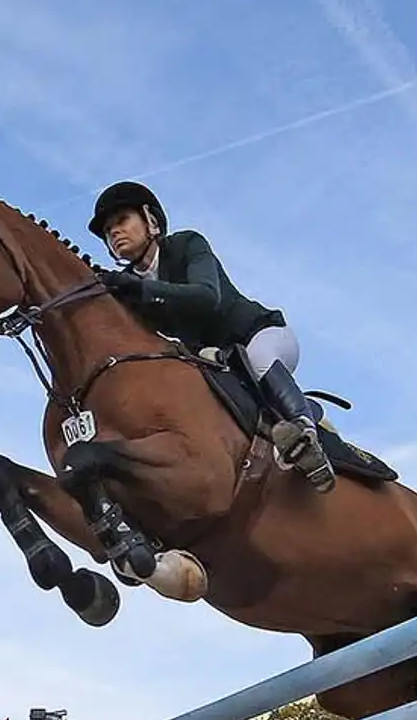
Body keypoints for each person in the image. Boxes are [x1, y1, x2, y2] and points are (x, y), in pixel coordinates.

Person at [90, 182, 362, 491]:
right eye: (108, 230)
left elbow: (207, 296)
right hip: (217, 361)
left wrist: (140, 289)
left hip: (261, 336)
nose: (114, 232)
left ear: (150, 219)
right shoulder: (129, 287)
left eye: (122, 220)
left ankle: (304, 434)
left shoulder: (186, 244)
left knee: (259, 358)